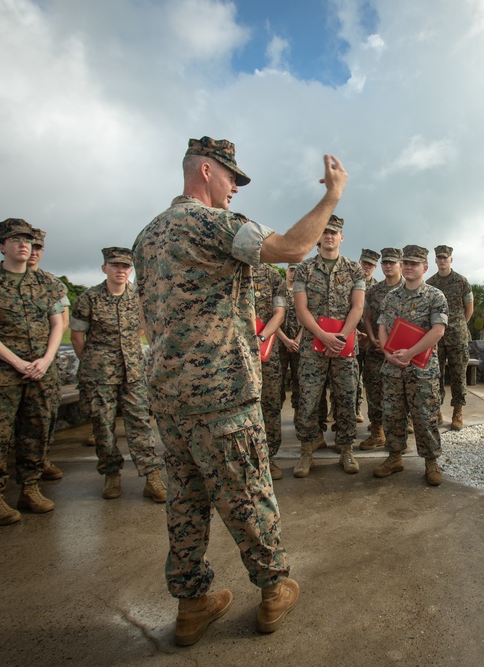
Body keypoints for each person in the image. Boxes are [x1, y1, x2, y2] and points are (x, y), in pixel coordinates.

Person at [132, 135, 347, 645]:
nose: (235, 188)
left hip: (169, 396)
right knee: (247, 494)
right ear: (206, 171)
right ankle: (273, 590)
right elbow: (291, 250)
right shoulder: (211, 224)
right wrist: (332, 197)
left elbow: (146, 315)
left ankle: (191, 604)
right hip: (221, 395)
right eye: (232, 177)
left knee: (184, 502)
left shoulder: (145, 237)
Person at [0, 219, 66, 524]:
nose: (24, 245)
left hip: (41, 371)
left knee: (36, 431)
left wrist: (47, 360)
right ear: (2, 246)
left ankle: (30, 487)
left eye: (29, 241)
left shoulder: (46, 283)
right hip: (1, 374)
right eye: (16, 240)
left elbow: (57, 324)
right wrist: (17, 362)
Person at [70, 247, 166, 502]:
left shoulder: (139, 296)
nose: (121, 271)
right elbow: (77, 338)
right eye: (115, 266)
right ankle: (111, 474)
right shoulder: (88, 299)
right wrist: (94, 363)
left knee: (140, 423)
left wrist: (130, 353)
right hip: (99, 374)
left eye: (125, 266)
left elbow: (141, 329)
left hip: (133, 372)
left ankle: (151, 476)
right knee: (103, 426)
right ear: (105, 268)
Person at [291, 215, 366, 478]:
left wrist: (342, 337)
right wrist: (323, 336)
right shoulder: (304, 269)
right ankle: (307, 451)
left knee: (346, 398)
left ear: (342, 237)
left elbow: (357, 307)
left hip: (344, 346)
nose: (329, 236)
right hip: (314, 345)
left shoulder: (354, 270)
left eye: (334, 232)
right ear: (318, 237)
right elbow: (301, 309)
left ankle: (346, 449)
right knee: (309, 399)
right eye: (324, 232)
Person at [373, 245, 448, 485]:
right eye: (405, 262)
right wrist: (388, 354)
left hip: (422, 370)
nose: (408, 267)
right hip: (393, 368)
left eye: (414, 263)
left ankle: (431, 461)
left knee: (424, 417)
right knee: (392, 416)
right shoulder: (391, 296)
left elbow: (437, 331)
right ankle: (394, 457)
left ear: (425, 267)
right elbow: (382, 326)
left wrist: (410, 353)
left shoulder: (435, 296)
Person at [27, 228, 71, 482]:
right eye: (28, 245)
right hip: (5, 366)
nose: (32, 252)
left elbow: (61, 324)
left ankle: (40, 461)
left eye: (38, 247)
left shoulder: (52, 284)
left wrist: (45, 358)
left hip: (44, 362)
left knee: (44, 418)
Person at [426, 245, 473, 430]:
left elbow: (469, 309)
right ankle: (436, 411)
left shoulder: (462, 281)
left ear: (451, 260)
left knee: (458, 375)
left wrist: (458, 325)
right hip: (436, 338)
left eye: (445, 258)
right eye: (439, 257)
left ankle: (457, 412)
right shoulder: (430, 283)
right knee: (435, 375)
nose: (442, 260)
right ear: (435, 260)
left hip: (458, 337)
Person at [359, 247, 402, 450]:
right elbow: (367, 317)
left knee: (399, 396)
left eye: (391, 262)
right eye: (385, 262)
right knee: (374, 392)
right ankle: (377, 432)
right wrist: (372, 337)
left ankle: (397, 437)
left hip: (399, 353)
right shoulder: (374, 290)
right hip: (376, 350)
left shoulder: (407, 288)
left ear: (400, 265)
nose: (387, 266)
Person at [253, 262, 286, 480]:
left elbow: (279, 312)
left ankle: (269, 457)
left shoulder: (272, 276)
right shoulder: (225, 268)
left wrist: (261, 338)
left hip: (265, 351)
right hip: (229, 351)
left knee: (270, 403)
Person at [355, 248, 380, 423]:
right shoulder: (351, 283)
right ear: (359, 262)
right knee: (351, 377)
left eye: (370, 265)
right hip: (353, 337)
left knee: (372, 379)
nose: (366, 267)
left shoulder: (378, 288)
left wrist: (371, 336)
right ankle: (354, 409)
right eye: (364, 263)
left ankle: (374, 416)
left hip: (372, 340)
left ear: (375, 267)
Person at [275, 264, 302, 423]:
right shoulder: (278, 291)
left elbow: (309, 317)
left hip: (299, 344)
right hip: (279, 343)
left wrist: (298, 339)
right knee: (277, 382)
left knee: (299, 380)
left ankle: (298, 413)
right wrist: (285, 340)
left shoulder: (303, 292)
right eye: (291, 270)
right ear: (286, 271)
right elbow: (269, 317)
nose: (294, 273)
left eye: (297, 270)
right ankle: (274, 416)